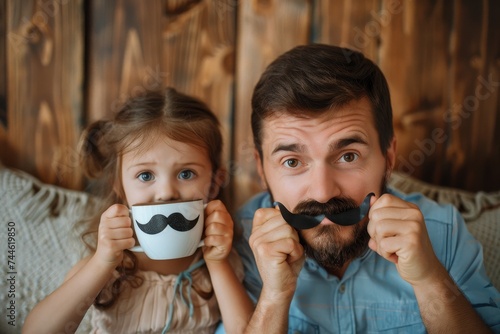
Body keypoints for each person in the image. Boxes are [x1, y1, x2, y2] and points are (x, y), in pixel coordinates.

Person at [231, 44, 500, 333]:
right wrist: (273, 298)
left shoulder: (443, 233)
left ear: (389, 156)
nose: (323, 193)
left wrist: (430, 281)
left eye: (348, 156)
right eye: (292, 161)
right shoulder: (242, 241)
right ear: (261, 169)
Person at [23, 88, 253, 333]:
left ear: (215, 183)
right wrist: (103, 262)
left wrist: (217, 262)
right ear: (119, 186)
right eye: (145, 175)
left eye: (186, 173)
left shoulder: (222, 263)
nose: (166, 192)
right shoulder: (106, 268)